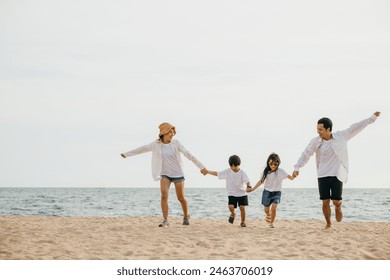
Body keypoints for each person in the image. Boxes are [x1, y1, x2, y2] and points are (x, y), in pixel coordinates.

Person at [292, 112, 381, 229]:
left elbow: (355, 127)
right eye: (317, 129)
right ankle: (328, 223)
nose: (318, 131)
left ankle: (338, 207)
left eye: (320, 129)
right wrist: (297, 167)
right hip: (322, 175)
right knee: (325, 201)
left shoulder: (341, 136)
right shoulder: (315, 141)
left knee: (336, 201)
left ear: (328, 129)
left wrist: (371, 118)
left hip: (337, 175)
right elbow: (306, 153)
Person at [121, 122, 208, 227]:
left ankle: (186, 216)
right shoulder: (155, 144)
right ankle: (166, 220)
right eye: (169, 132)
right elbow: (142, 149)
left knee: (180, 197)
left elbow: (188, 155)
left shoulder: (176, 143)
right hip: (164, 174)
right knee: (164, 195)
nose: (172, 134)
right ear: (163, 133)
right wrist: (126, 154)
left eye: (172, 132)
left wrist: (201, 167)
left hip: (178, 174)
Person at [247, 153, 294, 228]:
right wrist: (252, 189)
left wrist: (294, 176)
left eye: (275, 164)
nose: (273, 166)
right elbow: (260, 181)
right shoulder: (265, 172)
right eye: (271, 164)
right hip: (267, 192)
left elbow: (290, 177)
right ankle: (268, 215)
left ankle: (271, 223)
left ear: (278, 163)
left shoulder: (281, 171)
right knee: (266, 210)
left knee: (274, 207)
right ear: (268, 163)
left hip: (277, 192)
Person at [206, 155, 252, 227]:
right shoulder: (227, 171)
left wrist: (249, 186)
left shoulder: (242, 172)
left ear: (238, 165)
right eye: (231, 166)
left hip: (242, 193)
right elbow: (217, 173)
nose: (233, 168)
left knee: (242, 208)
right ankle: (233, 214)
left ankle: (243, 222)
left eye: (235, 166)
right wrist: (208, 172)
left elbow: (247, 181)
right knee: (230, 206)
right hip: (231, 193)